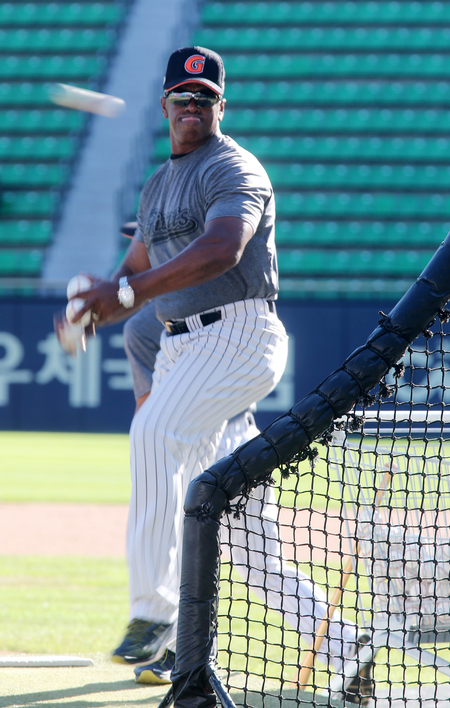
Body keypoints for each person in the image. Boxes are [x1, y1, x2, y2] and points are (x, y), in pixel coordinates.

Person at [70, 46, 372, 703]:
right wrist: (93, 306)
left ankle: (157, 619)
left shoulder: (234, 167)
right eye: (182, 95)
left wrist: (125, 293)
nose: (192, 104)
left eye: (204, 96)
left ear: (219, 106)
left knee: (154, 441)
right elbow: (135, 272)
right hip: (210, 391)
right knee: (249, 551)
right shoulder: (153, 256)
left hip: (238, 336)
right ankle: (348, 646)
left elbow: (222, 245)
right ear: (164, 105)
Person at [119, 300, 361, 689]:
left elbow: (149, 414)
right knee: (263, 565)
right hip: (247, 443)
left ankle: (185, 653)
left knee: (183, 551)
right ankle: (344, 643)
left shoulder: (145, 326)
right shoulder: (219, 303)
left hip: (205, 443)